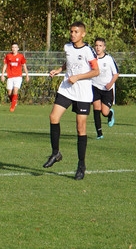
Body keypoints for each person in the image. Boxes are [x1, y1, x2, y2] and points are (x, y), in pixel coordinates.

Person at [42, 22, 99, 180]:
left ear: (83, 34)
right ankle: (56, 153)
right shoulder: (67, 47)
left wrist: (78, 77)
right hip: (67, 88)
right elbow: (69, 62)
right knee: (53, 117)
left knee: (80, 128)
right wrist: (59, 70)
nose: (72, 34)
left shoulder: (88, 51)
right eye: (71, 31)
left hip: (83, 92)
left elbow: (96, 71)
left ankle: (81, 165)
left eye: (76, 32)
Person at [91, 38, 119, 138]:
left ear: (104, 47)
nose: (98, 48)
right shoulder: (92, 58)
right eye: (96, 45)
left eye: (100, 46)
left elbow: (116, 73)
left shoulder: (109, 59)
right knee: (96, 108)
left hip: (107, 89)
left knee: (104, 112)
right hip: (95, 86)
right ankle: (99, 133)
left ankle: (110, 114)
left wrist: (110, 84)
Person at [0, 43, 29, 112]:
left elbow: (24, 66)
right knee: (9, 93)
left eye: (15, 47)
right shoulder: (8, 56)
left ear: (18, 49)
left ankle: (12, 107)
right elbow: (5, 65)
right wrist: (2, 75)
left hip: (18, 77)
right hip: (10, 77)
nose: (14, 48)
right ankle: (14, 101)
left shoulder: (21, 56)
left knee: (15, 91)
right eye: (13, 47)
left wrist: (27, 75)